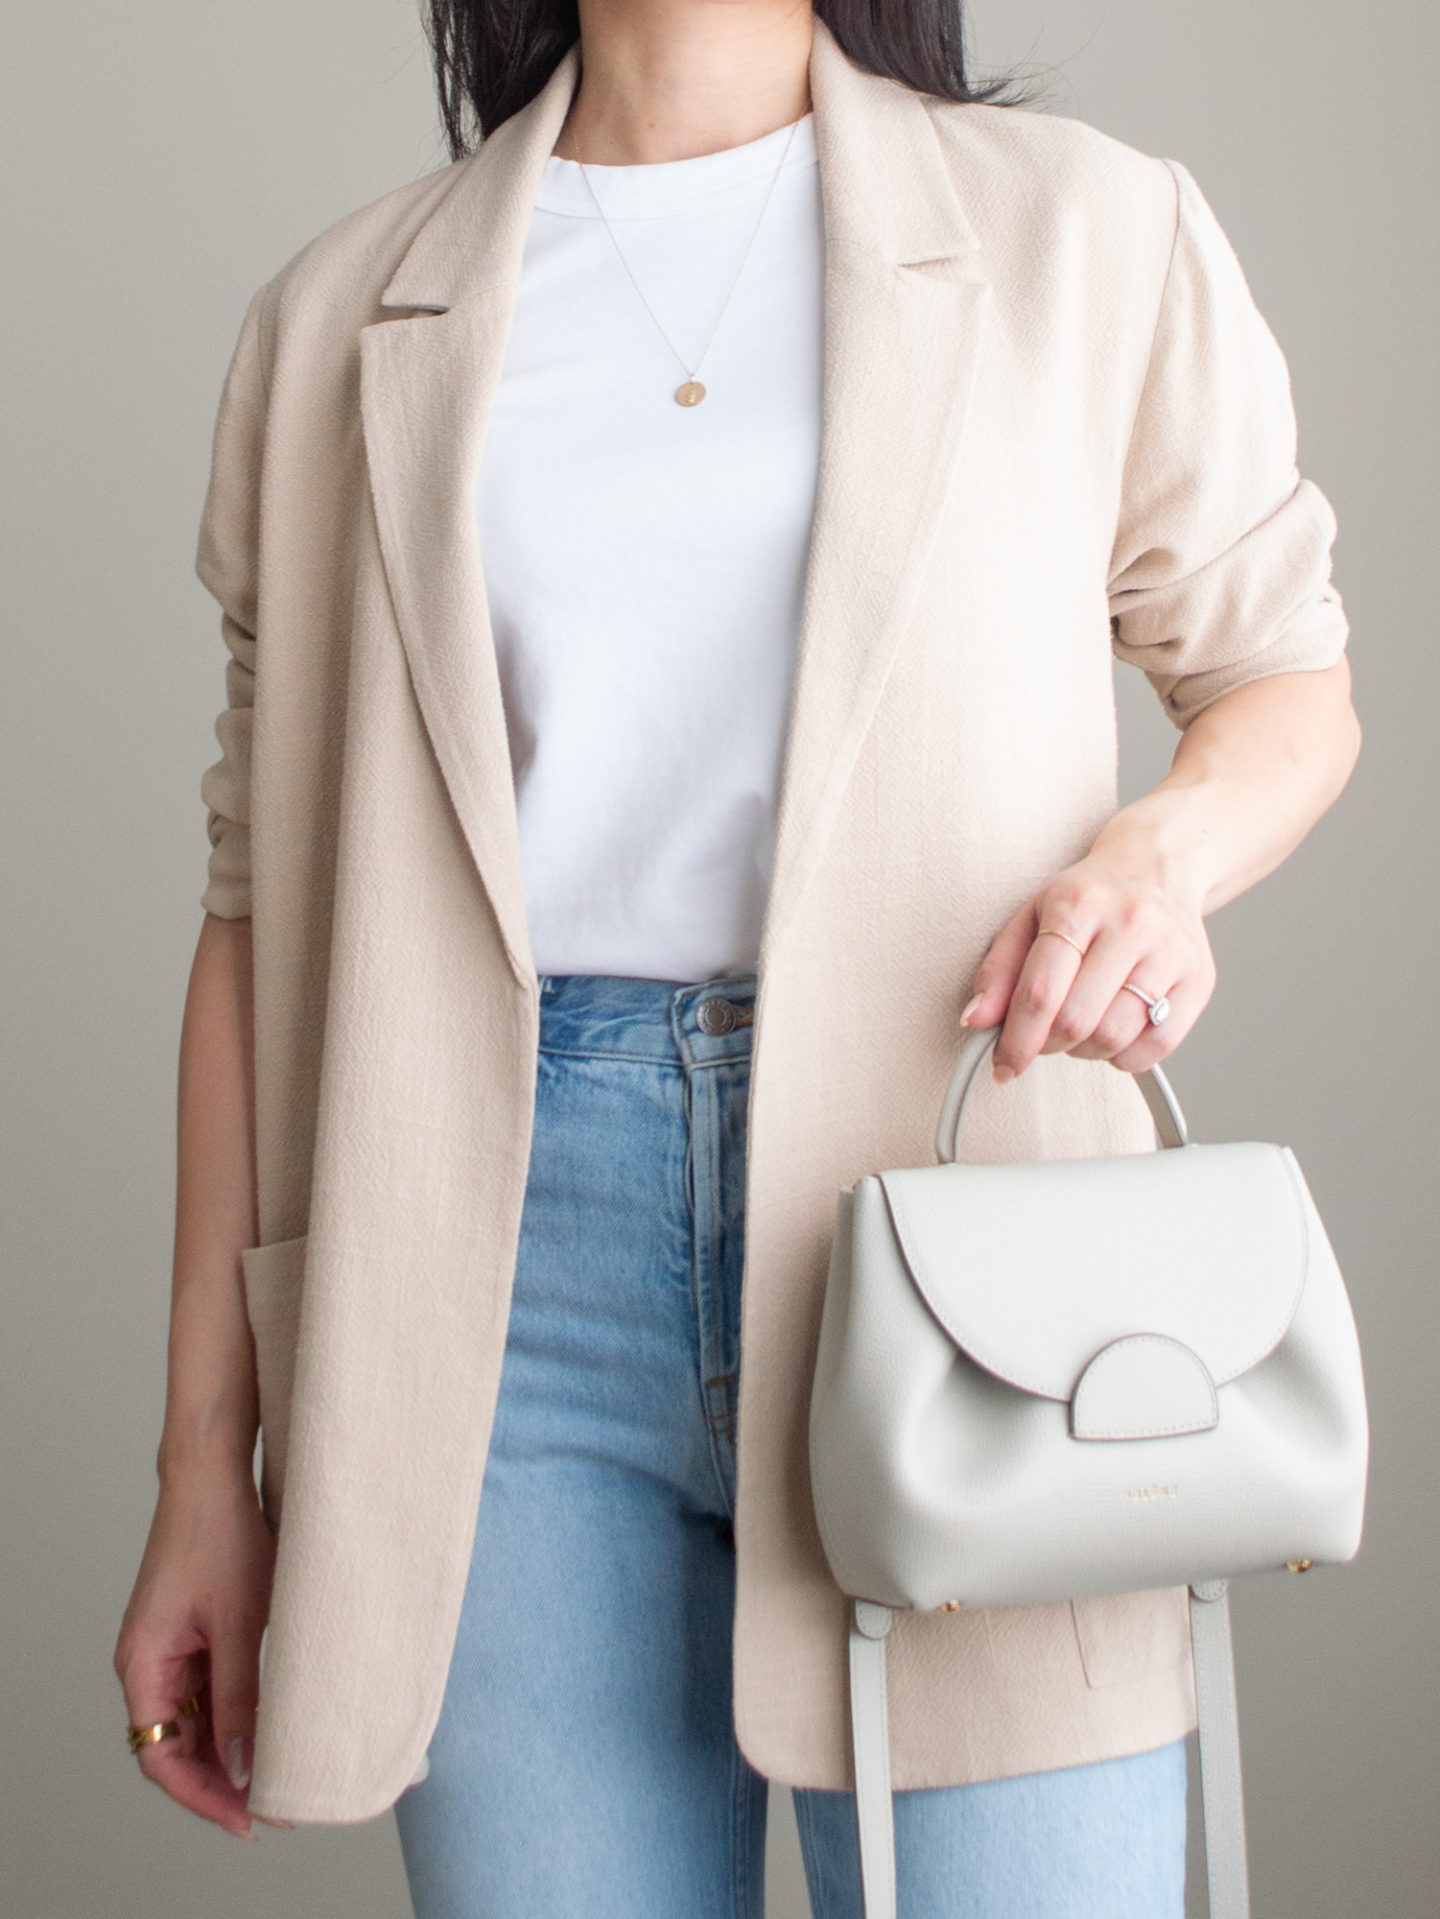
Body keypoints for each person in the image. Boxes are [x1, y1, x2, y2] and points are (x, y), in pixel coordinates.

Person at [114, 2, 1360, 1913]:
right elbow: (258, 911)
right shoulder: (336, 319)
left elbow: (1284, 680)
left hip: (969, 1263)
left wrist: (1156, 862)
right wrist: (209, 1461)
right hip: (490, 1294)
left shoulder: (1087, 231)